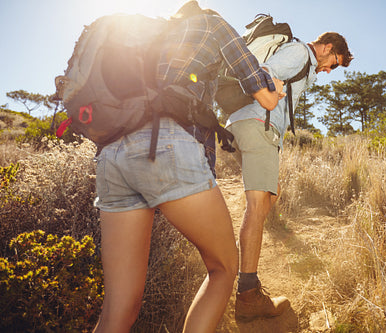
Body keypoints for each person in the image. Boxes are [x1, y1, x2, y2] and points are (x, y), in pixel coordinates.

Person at [92, 1, 285, 332]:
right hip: (168, 142)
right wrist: (277, 88)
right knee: (224, 268)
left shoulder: (152, 30)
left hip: (113, 154)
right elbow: (264, 96)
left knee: (119, 308)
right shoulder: (212, 24)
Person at [225, 32, 353, 322]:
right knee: (257, 207)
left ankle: (241, 255)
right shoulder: (299, 52)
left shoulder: (305, 64)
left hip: (250, 123)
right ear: (328, 48)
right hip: (258, 124)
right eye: (334, 62)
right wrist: (276, 88)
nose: (330, 70)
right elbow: (265, 73)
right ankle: (247, 293)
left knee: (271, 194)